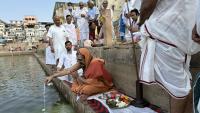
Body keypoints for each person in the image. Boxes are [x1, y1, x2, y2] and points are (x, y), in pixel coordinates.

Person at [133, 0, 200, 113]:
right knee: (182, 88)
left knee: (179, 91)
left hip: (166, 36)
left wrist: (139, 23)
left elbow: (148, 4)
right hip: (183, 39)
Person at [45, 48, 113, 98]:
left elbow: (95, 82)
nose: (79, 62)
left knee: (85, 89)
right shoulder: (82, 62)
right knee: (81, 86)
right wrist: (52, 76)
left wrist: (78, 77)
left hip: (101, 84)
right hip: (89, 82)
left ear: (86, 57)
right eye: (78, 60)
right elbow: (68, 70)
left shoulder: (95, 63)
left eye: (80, 60)